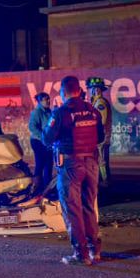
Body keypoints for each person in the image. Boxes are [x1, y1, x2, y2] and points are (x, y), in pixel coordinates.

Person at [43, 76, 105, 266]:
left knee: (72, 209)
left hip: (70, 165)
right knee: (88, 207)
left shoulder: (60, 113)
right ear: (79, 90)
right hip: (92, 164)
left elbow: (47, 138)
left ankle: (81, 254)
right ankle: (95, 250)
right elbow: (100, 137)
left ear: (63, 91)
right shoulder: (93, 111)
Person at [86, 76, 113, 187]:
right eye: (93, 88)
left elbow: (101, 121)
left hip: (101, 136)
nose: (94, 90)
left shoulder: (100, 103)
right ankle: (104, 180)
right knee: (100, 159)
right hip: (99, 136)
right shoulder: (96, 102)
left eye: (97, 88)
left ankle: (105, 181)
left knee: (101, 160)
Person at [28, 92, 53, 192]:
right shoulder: (36, 112)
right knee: (40, 164)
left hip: (47, 143)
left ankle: (47, 188)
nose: (48, 101)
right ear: (40, 101)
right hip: (38, 142)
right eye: (46, 99)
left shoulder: (48, 111)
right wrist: (43, 137)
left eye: (48, 99)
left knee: (49, 164)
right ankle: (37, 188)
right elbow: (32, 127)